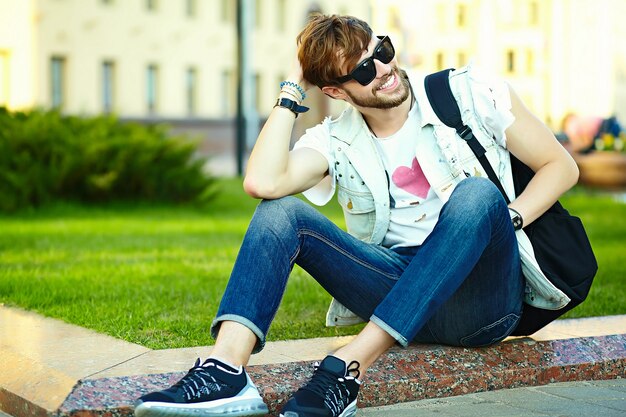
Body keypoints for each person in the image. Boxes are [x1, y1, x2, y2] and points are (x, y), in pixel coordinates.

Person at [134, 14, 578, 417]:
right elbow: (263, 183)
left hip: (482, 298)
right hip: (395, 283)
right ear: (334, 91)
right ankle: (225, 370)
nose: (384, 69)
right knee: (281, 212)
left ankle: (344, 371)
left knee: (477, 196)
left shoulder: (465, 93)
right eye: (364, 70)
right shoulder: (335, 140)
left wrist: (508, 220)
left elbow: (561, 166)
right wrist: (293, 87)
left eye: (382, 52)